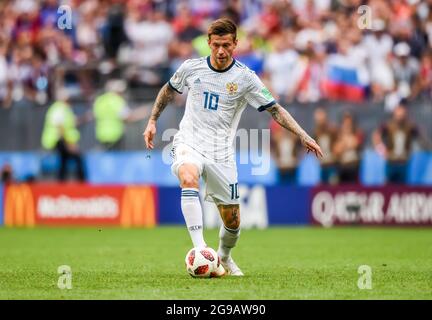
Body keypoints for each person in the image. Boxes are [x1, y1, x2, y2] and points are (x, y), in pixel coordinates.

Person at [143, 18, 322, 276]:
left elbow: (275, 109)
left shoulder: (245, 78)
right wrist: (152, 120)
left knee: (233, 221)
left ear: (236, 44)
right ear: (208, 43)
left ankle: (224, 257)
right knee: (188, 175)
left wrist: (303, 135)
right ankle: (201, 250)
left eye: (226, 45)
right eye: (216, 45)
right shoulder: (191, 68)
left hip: (221, 153)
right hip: (188, 141)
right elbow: (168, 91)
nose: (221, 51)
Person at [41, 89, 86, 182]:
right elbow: (60, 127)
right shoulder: (59, 108)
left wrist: (85, 118)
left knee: (64, 161)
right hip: (57, 140)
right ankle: (81, 184)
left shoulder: (64, 109)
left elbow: (72, 122)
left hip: (61, 140)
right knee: (76, 158)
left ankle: (62, 183)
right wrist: (68, 143)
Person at [373, 102, 422, 184]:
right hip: (391, 161)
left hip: (403, 162)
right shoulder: (388, 125)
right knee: (388, 186)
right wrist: (381, 150)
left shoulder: (409, 126)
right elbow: (376, 136)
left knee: (402, 188)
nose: (400, 116)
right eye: (398, 113)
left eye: (402, 113)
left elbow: (420, 136)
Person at [333, 112, 363, 184]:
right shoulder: (338, 135)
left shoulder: (357, 132)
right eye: (345, 123)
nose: (347, 125)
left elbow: (356, 144)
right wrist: (346, 142)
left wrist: (344, 143)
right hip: (342, 166)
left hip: (353, 166)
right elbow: (336, 150)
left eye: (349, 123)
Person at [313, 108, 338, 184]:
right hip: (322, 165)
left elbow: (337, 143)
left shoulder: (332, 130)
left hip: (332, 164)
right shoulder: (316, 133)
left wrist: (335, 153)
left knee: (333, 184)